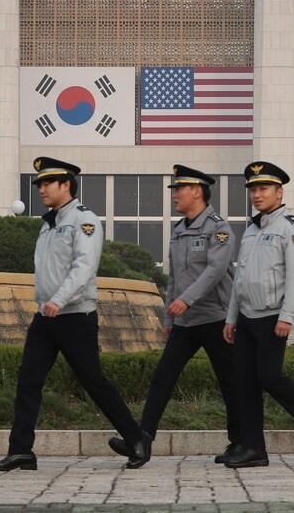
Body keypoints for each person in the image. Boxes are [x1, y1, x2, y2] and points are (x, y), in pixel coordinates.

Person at [0, 158, 150, 472]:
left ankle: (136, 438)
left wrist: (59, 300)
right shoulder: (48, 224)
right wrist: (45, 303)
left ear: (66, 185)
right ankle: (21, 450)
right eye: (40, 184)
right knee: (28, 382)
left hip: (75, 315)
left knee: (93, 382)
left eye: (48, 183)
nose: (42, 189)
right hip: (46, 317)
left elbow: (84, 267)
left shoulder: (84, 220)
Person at [109, 165, 240, 464]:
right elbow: (174, 277)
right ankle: (142, 440)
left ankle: (239, 441)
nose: (175, 195)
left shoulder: (219, 228)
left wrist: (187, 300)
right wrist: (170, 317)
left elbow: (215, 271)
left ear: (197, 191)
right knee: (163, 377)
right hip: (185, 320)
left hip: (217, 318)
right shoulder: (179, 230)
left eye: (179, 189)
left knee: (230, 381)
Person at [220, 161, 294, 469]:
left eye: (263, 189)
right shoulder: (253, 229)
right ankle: (254, 449)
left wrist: (288, 315)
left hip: (272, 316)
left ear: (279, 192)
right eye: (253, 189)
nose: (257, 195)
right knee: (245, 384)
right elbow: (239, 279)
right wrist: (231, 318)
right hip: (246, 316)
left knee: (269, 376)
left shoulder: (291, 229)